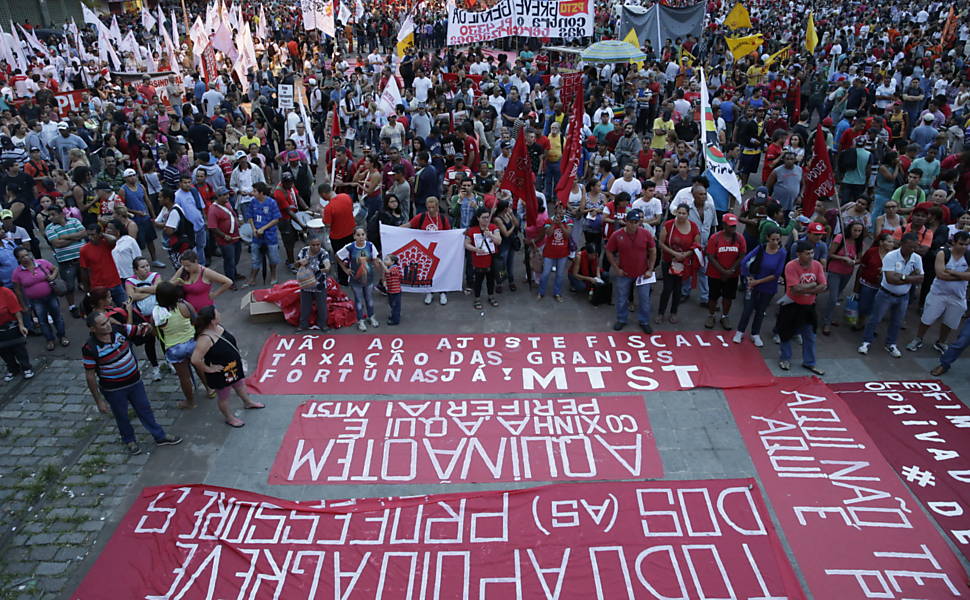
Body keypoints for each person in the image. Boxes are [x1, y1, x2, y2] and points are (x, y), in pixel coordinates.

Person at [82, 311, 181, 455]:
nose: (108, 325)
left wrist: (149, 326)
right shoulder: (90, 348)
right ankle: (129, 440)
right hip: (114, 389)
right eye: (103, 324)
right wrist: (98, 401)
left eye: (108, 321)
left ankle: (159, 436)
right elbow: (90, 375)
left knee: (144, 408)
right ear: (93, 329)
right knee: (121, 415)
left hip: (134, 382)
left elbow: (140, 330)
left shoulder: (120, 330)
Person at [190, 306, 264, 427]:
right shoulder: (205, 339)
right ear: (212, 320)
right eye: (217, 313)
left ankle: (248, 402)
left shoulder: (218, 327)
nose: (219, 313)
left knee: (239, 384)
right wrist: (209, 369)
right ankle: (229, 418)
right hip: (221, 373)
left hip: (232, 367)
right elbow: (195, 360)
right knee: (224, 396)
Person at [858, 233, 924, 358]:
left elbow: (921, 278)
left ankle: (891, 344)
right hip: (885, 294)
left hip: (904, 296)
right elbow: (890, 279)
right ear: (902, 244)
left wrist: (902, 277)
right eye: (910, 247)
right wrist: (911, 277)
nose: (913, 250)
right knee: (875, 319)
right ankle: (866, 341)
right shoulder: (891, 256)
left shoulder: (917, 258)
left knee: (897, 322)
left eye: (915, 247)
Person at [907, 231, 970, 354]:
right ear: (953, 242)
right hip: (938, 294)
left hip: (958, 296)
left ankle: (941, 342)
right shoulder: (943, 253)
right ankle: (918, 338)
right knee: (927, 318)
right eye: (961, 244)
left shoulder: (968, 256)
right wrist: (963, 276)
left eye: (966, 245)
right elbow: (941, 274)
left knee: (950, 322)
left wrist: (952, 272)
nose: (963, 247)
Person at [153, 281, 212, 409]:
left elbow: (156, 333)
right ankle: (210, 390)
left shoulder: (157, 314)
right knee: (200, 367)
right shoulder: (184, 305)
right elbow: (195, 319)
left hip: (174, 348)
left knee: (184, 377)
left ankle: (190, 402)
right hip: (192, 343)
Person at [777, 239, 827, 374]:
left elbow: (823, 286)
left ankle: (809, 362)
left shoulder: (817, 265)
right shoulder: (791, 266)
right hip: (791, 305)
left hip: (809, 306)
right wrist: (812, 285)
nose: (811, 256)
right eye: (807, 253)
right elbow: (795, 289)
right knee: (786, 333)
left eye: (812, 253)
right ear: (798, 254)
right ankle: (785, 358)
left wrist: (807, 289)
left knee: (810, 335)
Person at [734, 227, 786, 347]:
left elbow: (776, 274)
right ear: (768, 238)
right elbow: (744, 262)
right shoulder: (760, 248)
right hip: (752, 285)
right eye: (773, 239)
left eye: (777, 239)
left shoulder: (782, 253)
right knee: (747, 309)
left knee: (760, 311)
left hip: (768, 287)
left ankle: (755, 333)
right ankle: (740, 331)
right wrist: (748, 278)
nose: (775, 242)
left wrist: (757, 282)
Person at [606, 209, 656, 333]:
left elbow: (653, 250)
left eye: (636, 222)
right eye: (631, 222)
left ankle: (644, 321)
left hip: (643, 273)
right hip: (624, 273)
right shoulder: (617, 235)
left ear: (639, 222)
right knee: (622, 298)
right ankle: (622, 319)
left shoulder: (646, 234)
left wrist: (650, 269)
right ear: (626, 222)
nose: (633, 224)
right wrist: (616, 268)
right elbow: (608, 251)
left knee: (644, 299)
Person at [11, 246, 68, 351]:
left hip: (50, 296)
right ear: (18, 259)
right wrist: (23, 305)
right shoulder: (17, 273)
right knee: (42, 321)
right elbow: (18, 290)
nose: (26, 258)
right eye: (22, 257)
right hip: (35, 301)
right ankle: (49, 339)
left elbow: (55, 268)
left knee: (57, 317)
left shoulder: (42, 262)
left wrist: (53, 276)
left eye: (27, 254)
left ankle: (62, 336)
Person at [403, 196, 451, 305]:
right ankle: (430, 291)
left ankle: (442, 292)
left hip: (440, 249)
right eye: (429, 207)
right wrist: (394, 230)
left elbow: (449, 234)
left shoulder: (443, 219)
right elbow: (409, 225)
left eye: (433, 207)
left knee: (441, 270)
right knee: (429, 271)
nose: (431, 210)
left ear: (438, 207)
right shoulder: (421, 217)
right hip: (425, 250)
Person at [657, 204, 699, 324]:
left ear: (688, 214)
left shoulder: (694, 227)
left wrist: (685, 255)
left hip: (684, 263)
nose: (681, 215)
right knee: (667, 288)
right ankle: (661, 313)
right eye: (679, 213)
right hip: (669, 261)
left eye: (683, 213)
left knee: (678, 289)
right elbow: (661, 243)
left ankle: (674, 312)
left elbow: (696, 245)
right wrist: (674, 253)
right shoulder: (669, 225)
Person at [820, 221, 865, 335]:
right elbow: (830, 254)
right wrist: (843, 258)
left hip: (847, 272)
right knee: (833, 298)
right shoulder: (840, 238)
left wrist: (854, 261)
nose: (857, 233)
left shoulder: (859, 242)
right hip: (835, 270)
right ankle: (827, 322)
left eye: (859, 231)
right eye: (855, 230)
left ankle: (829, 316)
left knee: (837, 294)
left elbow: (860, 259)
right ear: (850, 229)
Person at [125, 257, 164, 381]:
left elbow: (159, 289)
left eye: (147, 265)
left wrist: (141, 290)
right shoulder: (129, 281)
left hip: (158, 314)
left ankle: (170, 362)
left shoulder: (155, 275)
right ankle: (155, 367)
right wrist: (151, 291)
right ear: (135, 270)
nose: (146, 268)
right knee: (149, 341)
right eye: (142, 267)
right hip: (142, 316)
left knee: (164, 339)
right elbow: (132, 297)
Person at [337, 227, 384, 332]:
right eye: (358, 235)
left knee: (370, 300)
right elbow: (338, 256)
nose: (361, 237)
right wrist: (345, 269)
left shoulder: (370, 246)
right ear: (354, 236)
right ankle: (360, 320)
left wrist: (382, 275)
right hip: (355, 280)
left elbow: (376, 261)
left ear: (365, 235)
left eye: (362, 234)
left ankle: (371, 316)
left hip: (369, 279)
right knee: (358, 301)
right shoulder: (349, 247)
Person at [704, 213, 746, 330]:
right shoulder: (715, 238)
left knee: (728, 297)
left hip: (732, 275)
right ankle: (711, 315)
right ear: (724, 225)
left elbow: (742, 254)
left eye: (734, 226)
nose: (733, 228)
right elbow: (710, 256)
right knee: (713, 296)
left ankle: (725, 316)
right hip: (715, 274)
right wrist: (723, 271)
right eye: (730, 226)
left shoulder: (739, 238)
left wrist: (731, 270)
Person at [44, 205, 86, 318]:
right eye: (49, 215)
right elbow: (56, 243)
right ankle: (72, 306)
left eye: (53, 214)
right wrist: (76, 238)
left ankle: (89, 303)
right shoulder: (49, 228)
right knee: (69, 286)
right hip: (66, 261)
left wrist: (65, 237)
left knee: (87, 283)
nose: (50, 218)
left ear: (61, 213)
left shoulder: (74, 220)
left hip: (82, 259)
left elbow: (84, 233)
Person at [79, 222, 125, 308]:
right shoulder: (84, 250)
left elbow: (114, 240)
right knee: (105, 312)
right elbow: (84, 270)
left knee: (126, 307)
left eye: (93, 235)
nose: (90, 238)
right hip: (98, 287)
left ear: (100, 234)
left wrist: (102, 234)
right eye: (88, 235)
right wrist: (87, 290)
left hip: (115, 283)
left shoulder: (106, 243)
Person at [464, 207, 502, 309]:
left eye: (488, 217)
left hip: (491, 260)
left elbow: (499, 241)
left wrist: (490, 235)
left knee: (491, 280)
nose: (486, 219)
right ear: (478, 218)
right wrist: (476, 249)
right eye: (483, 217)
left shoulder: (493, 228)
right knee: (478, 281)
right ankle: (477, 298)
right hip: (478, 261)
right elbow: (466, 244)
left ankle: (491, 296)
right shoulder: (472, 230)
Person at [245, 182, 281, 286]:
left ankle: (274, 275)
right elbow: (250, 217)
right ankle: (252, 277)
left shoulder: (272, 203)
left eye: (254, 191)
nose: (252, 193)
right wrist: (254, 229)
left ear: (261, 192)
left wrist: (263, 228)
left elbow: (276, 219)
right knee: (255, 258)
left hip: (270, 236)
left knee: (273, 258)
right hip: (257, 237)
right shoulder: (253, 202)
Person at [206, 186, 242, 285]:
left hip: (235, 236)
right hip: (225, 241)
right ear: (218, 196)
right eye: (224, 195)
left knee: (236, 257)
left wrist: (237, 221)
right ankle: (230, 281)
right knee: (229, 260)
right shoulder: (213, 210)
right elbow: (212, 227)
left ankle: (234, 273)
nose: (227, 196)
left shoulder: (227, 203)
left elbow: (233, 214)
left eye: (227, 194)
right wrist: (224, 235)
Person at [537, 203, 572, 302]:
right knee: (545, 273)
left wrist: (560, 225)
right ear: (555, 210)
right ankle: (541, 292)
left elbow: (568, 235)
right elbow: (548, 234)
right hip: (549, 253)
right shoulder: (548, 220)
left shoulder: (568, 221)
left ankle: (557, 293)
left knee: (560, 275)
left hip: (563, 253)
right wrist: (554, 223)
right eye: (559, 208)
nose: (561, 210)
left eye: (563, 209)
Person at [296, 235, 331, 331]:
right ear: (309, 244)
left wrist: (327, 268)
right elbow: (296, 264)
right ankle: (303, 324)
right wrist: (300, 262)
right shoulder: (303, 251)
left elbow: (327, 263)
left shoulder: (324, 253)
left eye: (318, 244)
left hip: (319, 284)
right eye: (313, 245)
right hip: (305, 284)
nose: (316, 247)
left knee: (322, 306)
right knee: (305, 306)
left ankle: (323, 324)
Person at [0, 284, 32, 381]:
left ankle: (26, 368)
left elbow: (16, 310)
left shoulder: (5, 292)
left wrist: (21, 325)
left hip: (11, 326)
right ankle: (13, 369)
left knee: (19, 350)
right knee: (4, 352)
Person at [384, 254, 403, 325]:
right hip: (390, 290)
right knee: (392, 304)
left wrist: (381, 265)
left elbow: (388, 272)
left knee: (395, 305)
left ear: (392, 262)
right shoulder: (388, 267)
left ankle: (395, 320)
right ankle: (395, 315)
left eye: (387, 259)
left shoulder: (395, 268)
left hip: (396, 291)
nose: (384, 261)